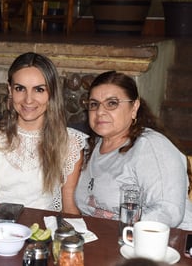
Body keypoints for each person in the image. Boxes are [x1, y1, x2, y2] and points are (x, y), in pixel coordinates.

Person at [75, 70, 192, 230]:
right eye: (94, 104)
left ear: (134, 107)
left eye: (112, 103)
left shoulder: (151, 146)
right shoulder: (91, 146)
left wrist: (123, 232)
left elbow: (169, 212)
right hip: (105, 243)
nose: (100, 112)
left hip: (159, 244)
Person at [0, 52, 87, 213]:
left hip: (43, 234)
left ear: (51, 93)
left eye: (39, 90)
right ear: (10, 90)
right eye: (20, 89)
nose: (28, 100)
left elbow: (68, 206)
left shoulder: (70, 143)